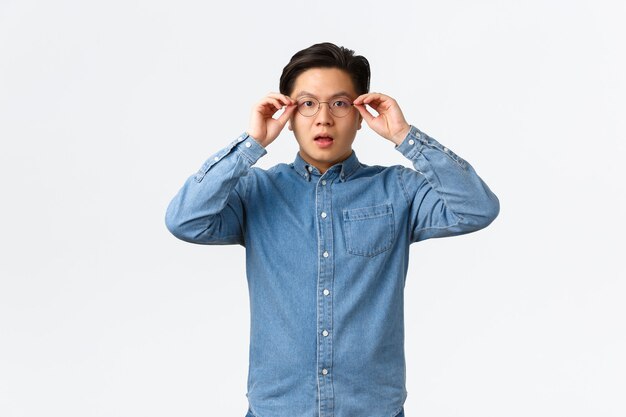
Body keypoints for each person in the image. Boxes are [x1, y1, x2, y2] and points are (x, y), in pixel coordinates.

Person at [165, 42, 500, 417]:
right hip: (278, 410)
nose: (323, 118)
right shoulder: (255, 192)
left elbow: (477, 209)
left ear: (361, 115)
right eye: (307, 104)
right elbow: (185, 220)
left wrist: (405, 136)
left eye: (339, 104)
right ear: (287, 114)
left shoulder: (398, 190)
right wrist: (251, 143)